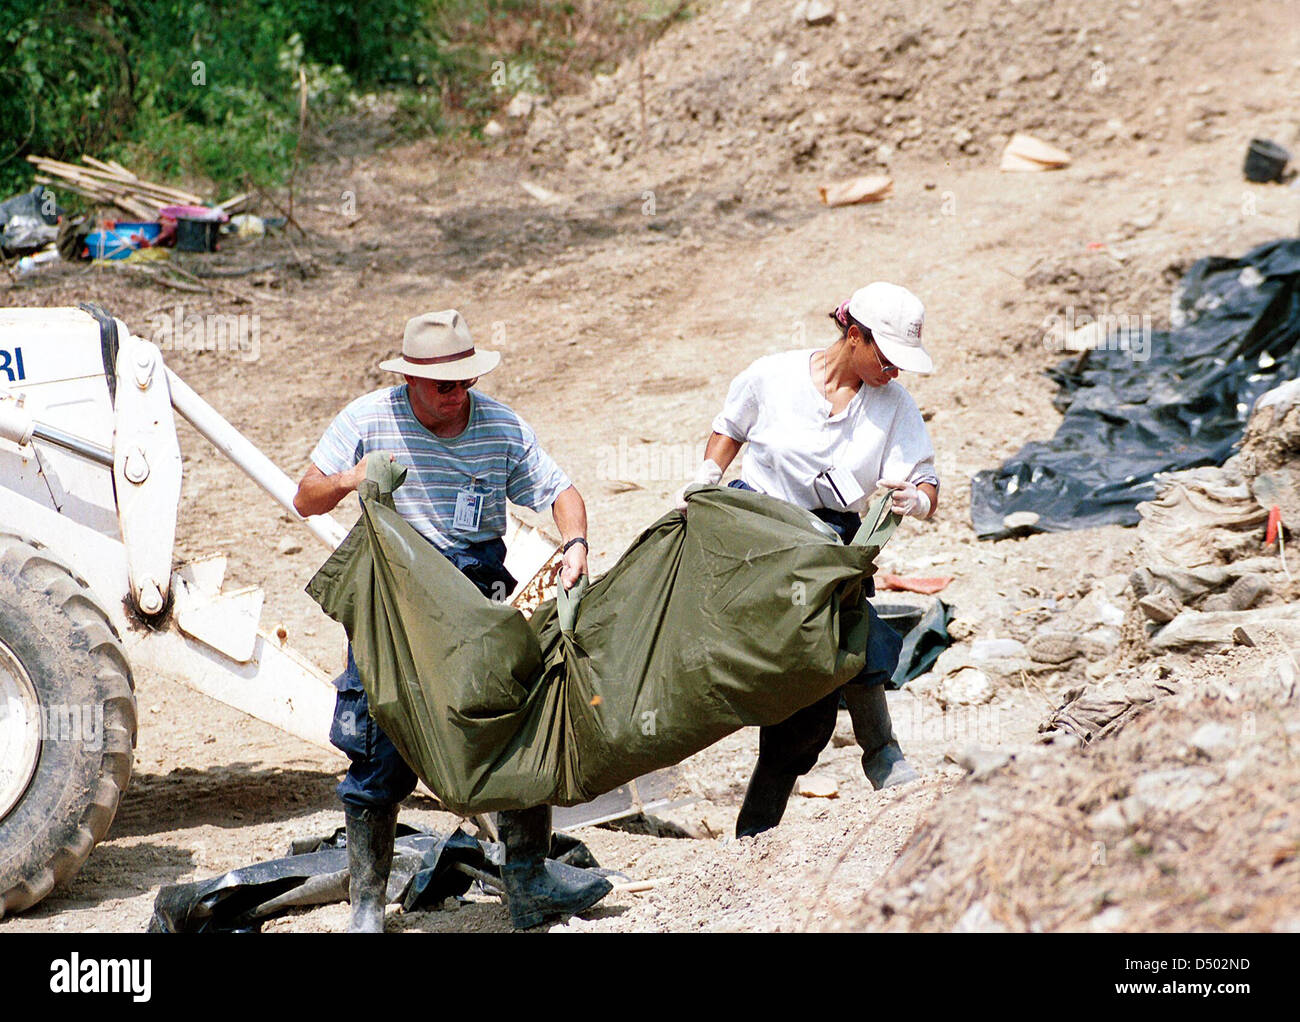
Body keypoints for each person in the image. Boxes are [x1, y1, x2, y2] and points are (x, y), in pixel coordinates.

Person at [294, 309, 610, 931]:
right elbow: (306, 496)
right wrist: (352, 478)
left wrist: (575, 544)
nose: (458, 394)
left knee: (514, 727)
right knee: (377, 739)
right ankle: (365, 905)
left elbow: (561, 492)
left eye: (466, 381)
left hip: (476, 589)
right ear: (410, 379)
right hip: (397, 599)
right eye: (445, 385)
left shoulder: (499, 426)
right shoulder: (367, 418)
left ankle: (528, 882)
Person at [678, 282, 939, 838]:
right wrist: (706, 476)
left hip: (830, 549)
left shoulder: (893, 406)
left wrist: (915, 499)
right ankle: (762, 828)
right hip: (760, 538)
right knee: (791, 686)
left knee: (832, 669)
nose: (894, 373)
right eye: (887, 359)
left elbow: (926, 481)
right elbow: (730, 427)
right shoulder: (774, 376)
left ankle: (871, 761)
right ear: (854, 336)